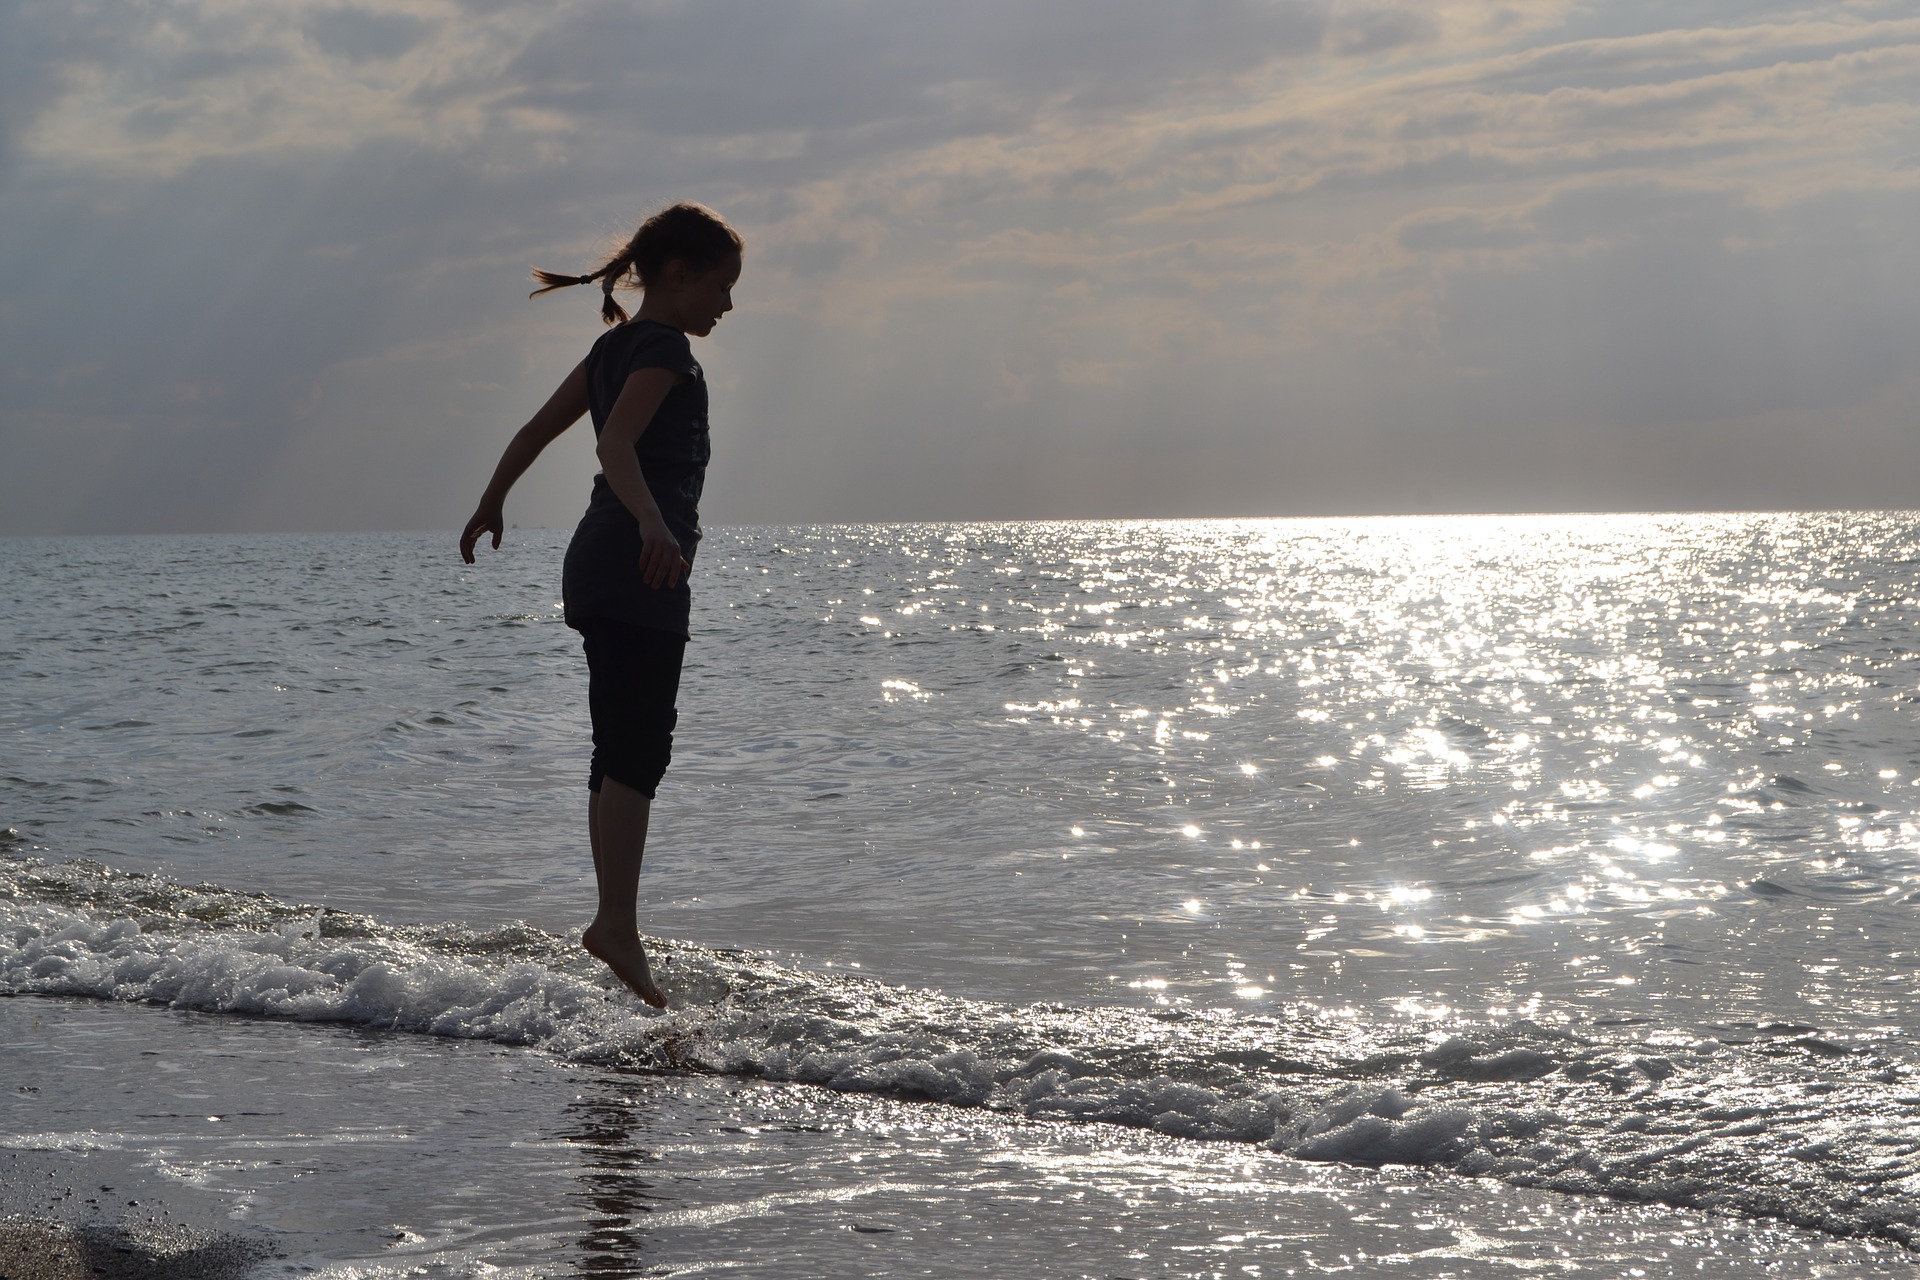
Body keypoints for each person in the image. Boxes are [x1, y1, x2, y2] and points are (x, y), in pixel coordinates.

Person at [459, 202, 742, 1010]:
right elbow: (613, 444)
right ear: (679, 276)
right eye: (722, 286)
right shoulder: (658, 349)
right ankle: (615, 922)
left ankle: (616, 919)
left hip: (597, 564)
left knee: (617, 746)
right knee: (639, 746)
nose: (727, 304)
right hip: (636, 563)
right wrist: (655, 523)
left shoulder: (611, 348)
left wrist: (491, 500)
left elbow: (531, 430)